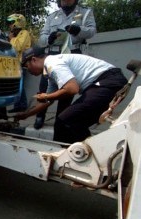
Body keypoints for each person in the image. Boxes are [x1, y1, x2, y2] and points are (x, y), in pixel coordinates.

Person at [14, 46, 127, 144]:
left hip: (107, 81)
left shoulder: (52, 63)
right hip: (107, 83)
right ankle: (82, 152)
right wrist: (26, 114)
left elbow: (72, 89)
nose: (27, 70)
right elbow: (48, 101)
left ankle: (80, 154)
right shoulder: (50, 72)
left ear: (33, 60)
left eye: (26, 66)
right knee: (70, 123)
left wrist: (46, 96)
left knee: (66, 121)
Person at [34, 0, 97, 129]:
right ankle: (40, 115)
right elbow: (42, 38)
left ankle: (61, 119)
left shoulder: (85, 12)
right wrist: (49, 39)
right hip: (53, 53)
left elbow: (92, 31)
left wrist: (79, 30)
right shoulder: (52, 16)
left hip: (73, 52)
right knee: (44, 86)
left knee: (67, 87)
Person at [6, 13, 32, 113]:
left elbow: (18, 47)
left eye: (11, 22)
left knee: (19, 85)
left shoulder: (24, 33)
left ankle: (22, 105)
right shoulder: (15, 35)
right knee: (16, 85)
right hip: (14, 64)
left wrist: (11, 39)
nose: (9, 25)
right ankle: (18, 105)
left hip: (22, 63)